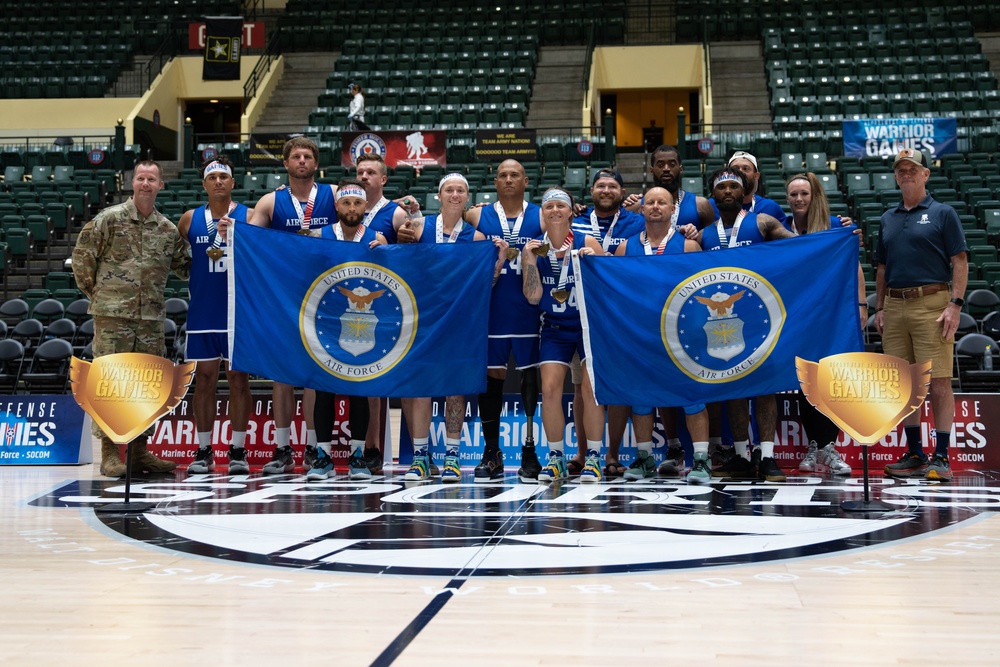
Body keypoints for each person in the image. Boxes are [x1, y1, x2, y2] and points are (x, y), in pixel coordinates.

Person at [72, 160, 191, 477]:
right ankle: (110, 454)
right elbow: (83, 261)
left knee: (146, 385)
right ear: (132, 182)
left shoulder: (167, 230)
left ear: (160, 185)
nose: (146, 183)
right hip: (112, 317)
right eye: (141, 178)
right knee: (109, 383)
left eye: (152, 179)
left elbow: (187, 267)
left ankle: (140, 452)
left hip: (151, 319)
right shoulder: (108, 220)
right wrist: (102, 297)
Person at [684, 168, 797, 483]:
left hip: (762, 319)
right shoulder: (704, 235)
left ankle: (769, 456)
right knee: (734, 388)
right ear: (714, 195)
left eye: (734, 185)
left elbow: (801, 247)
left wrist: (836, 235)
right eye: (722, 187)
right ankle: (742, 456)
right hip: (724, 324)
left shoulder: (762, 222)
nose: (728, 191)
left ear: (745, 190)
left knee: (765, 387)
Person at [400, 173, 507, 482]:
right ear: (440, 194)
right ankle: (420, 456)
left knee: (454, 389)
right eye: (450, 189)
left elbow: (487, 283)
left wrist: (499, 260)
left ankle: (452, 456)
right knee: (421, 387)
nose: (455, 194)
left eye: (461, 190)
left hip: (458, 320)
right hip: (422, 318)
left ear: (467, 197)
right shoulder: (419, 227)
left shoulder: (474, 238)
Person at [875, 148, 968, 482]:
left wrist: (955, 304)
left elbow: (960, 260)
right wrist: (881, 307)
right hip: (896, 305)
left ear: (926, 174)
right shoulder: (888, 217)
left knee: (939, 381)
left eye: (913, 169)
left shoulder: (943, 213)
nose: (906, 174)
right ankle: (915, 453)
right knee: (903, 384)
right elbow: (882, 267)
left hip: (932, 302)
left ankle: (941, 456)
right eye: (901, 170)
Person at [248, 137, 335, 474]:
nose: (302, 160)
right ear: (285, 163)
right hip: (283, 298)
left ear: (316, 163)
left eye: (308, 156)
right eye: (296, 156)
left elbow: (362, 216)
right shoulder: (271, 201)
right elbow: (249, 240)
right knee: (282, 376)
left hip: (324, 297)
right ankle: (282, 447)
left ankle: (314, 447)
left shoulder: (331, 196)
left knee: (314, 373)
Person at [614, 187, 710, 481]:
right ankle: (644, 458)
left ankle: (702, 460)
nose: (655, 207)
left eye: (662, 203)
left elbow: (701, 290)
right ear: (641, 209)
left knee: (692, 396)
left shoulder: (689, 246)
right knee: (641, 398)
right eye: (650, 202)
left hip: (682, 335)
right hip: (640, 335)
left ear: (672, 210)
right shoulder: (624, 248)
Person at [463, 160, 546, 483]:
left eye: (515, 175)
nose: (509, 179)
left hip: (528, 310)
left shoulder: (540, 215)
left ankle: (529, 450)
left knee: (529, 379)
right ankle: (492, 451)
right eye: (503, 175)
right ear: (495, 182)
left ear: (526, 181)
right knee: (492, 379)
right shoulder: (476, 215)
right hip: (492, 310)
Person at [521, 187, 606, 483]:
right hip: (555, 329)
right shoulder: (534, 248)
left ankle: (594, 457)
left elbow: (606, 289)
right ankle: (556, 457)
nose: (554, 210)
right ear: (542, 213)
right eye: (548, 207)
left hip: (587, 326)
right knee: (551, 389)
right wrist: (529, 261)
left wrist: (594, 262)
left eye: (560, 206)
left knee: (590, 389)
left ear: (571, 211)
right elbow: (533, 297)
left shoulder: (587, 241)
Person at [304, 179, 387, 481]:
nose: (352, 208)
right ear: (337, 206)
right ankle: (323, 456)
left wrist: (387, 253)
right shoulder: (319, 236)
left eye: (357, 203)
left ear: (366, 206)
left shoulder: (377, 238)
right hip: (326, 323)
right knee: (325, 389)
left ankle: (357, 456)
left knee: (359, 390)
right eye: (346, 203)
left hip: (363, 325)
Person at [567, 168, 646, 481]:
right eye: (600, 185)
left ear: (621, 191)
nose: (606, 189)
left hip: (619, 314)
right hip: (580, 312)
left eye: (613, 185)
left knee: (616, 385)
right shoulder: (575, 221)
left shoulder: (636, 222)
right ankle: (584, 453)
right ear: (591, 190)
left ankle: (611, 452)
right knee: (579, 387)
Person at [178, 157, 253, 476]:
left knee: (238, 379)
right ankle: (204, 448)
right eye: (214, 177)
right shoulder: (188, 220)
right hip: (203, 312)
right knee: (204, 381)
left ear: (233, 182)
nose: (219, 181)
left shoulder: (249, 217)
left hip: (238, 313)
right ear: (205, 184)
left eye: (225, 176)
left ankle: (238, 449)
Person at [784, 172, 862, 476]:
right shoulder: (781, 227)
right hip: (795, 318)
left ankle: (829, 446)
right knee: (805, 382)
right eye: (793, 194)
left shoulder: (834, 227)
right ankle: (814, 445)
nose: (799, 199)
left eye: (804, 193)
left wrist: (861, 304)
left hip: (830, 316)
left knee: (829, 379)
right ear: (787, 199)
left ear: (813, 196)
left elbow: (853, 266)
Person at [627, 145, 716, 229]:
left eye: (672, 164)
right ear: (652, 170)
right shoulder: (635, 207)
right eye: (660, 165)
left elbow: (709, 241)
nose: (666, 169)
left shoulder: (701, 205)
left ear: (681, 169)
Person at [711, 150, 788, 224]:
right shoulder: (710, 207)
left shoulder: (770, 207)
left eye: (746, 169)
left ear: (756, 176)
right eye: (735, 169)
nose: (740, 172)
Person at [355, 153, 410, 244]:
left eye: (370, 172)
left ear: (383, 180)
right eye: (360, 173)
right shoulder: (346, 210)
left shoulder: (398, 214)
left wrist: (386, 249)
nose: (364, 177)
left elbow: (409, 253)